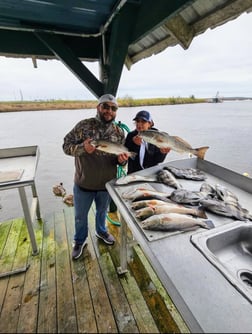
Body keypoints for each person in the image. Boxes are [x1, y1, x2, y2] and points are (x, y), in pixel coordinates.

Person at [63, 94, 129, 260]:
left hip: (106, 185)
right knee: (80, 216)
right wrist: (83, 149)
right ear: (98, 107)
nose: (109, 111)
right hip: (84, 184)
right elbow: (66, 146)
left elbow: (120, 158)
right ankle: (79, 241)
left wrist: (122, 161)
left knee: (102, 212)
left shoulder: (119, 132)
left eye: (113, 108)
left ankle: (101, 231)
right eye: (105, 106)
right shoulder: (83, 126)